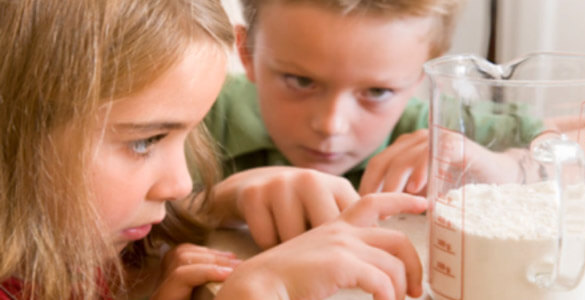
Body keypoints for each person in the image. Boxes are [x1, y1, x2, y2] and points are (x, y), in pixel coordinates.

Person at [0, 1, 427, 299]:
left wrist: (220, 200)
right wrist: (258, 291)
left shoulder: (76, 255)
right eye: (144, 141)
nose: (180, 182)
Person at [200, 0, 541, 249]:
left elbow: (582, 135)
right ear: (246, 53)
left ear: (423, 73)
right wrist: (216, 204)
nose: (332, 125)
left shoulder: (443, 131)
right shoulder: (195, 113)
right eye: (300, 81)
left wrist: (507, 167)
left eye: (377, 92)